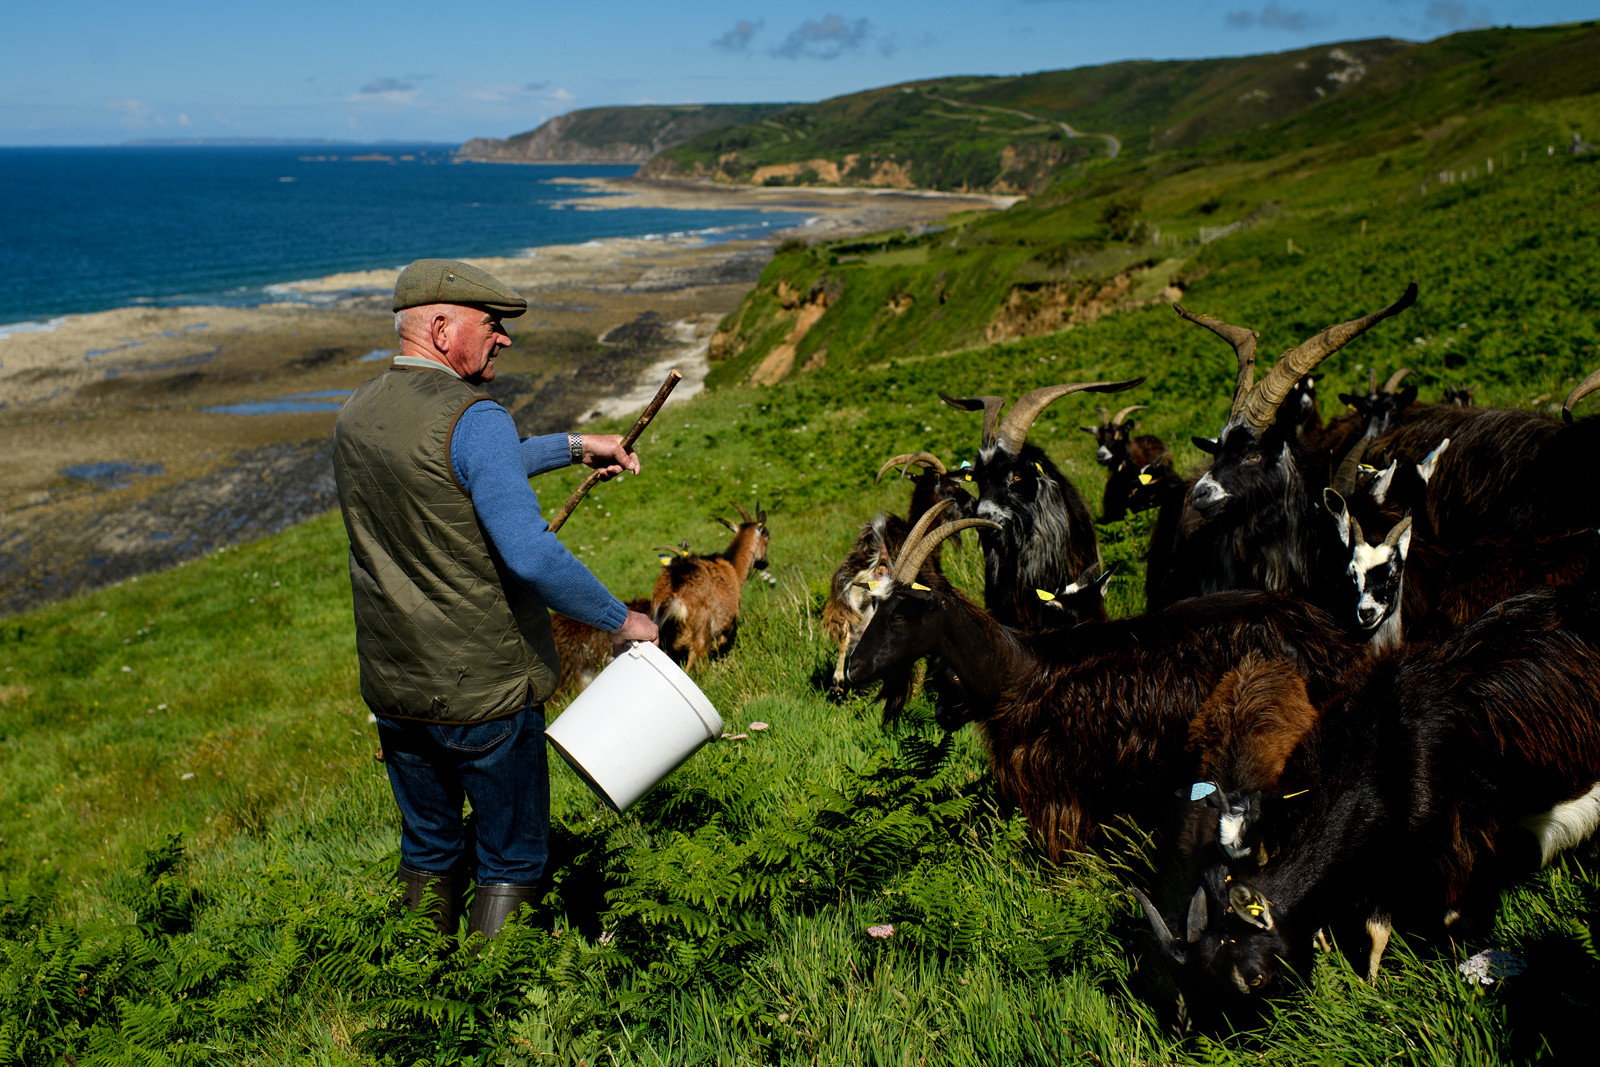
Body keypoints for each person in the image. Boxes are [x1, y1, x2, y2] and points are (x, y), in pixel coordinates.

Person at [332, 258, 658, 939]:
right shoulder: (474, 417)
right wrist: (621, 619)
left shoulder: (357, 415)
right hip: (483, 689)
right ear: (444, 328)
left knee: (428, 850)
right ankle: (497, 1005)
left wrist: (573, 446)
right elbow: (531, 552)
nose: (504, 338)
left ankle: (426, 994)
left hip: (396, 688)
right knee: (512, 858)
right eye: (493, 325)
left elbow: (456, 465)